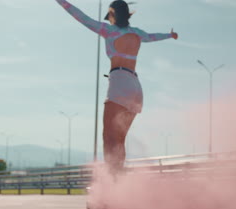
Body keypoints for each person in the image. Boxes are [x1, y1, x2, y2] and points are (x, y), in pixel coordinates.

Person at [55, 0, 178, 176]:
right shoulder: (137, 33)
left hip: (119, 83)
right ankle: (119, 186)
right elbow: (153, 36)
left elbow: (80, 17)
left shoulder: (109, 30)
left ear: (112, 14)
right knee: (119, 141)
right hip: (136, 88)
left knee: (109, 139)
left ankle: (112, 186)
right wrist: (170, 35)